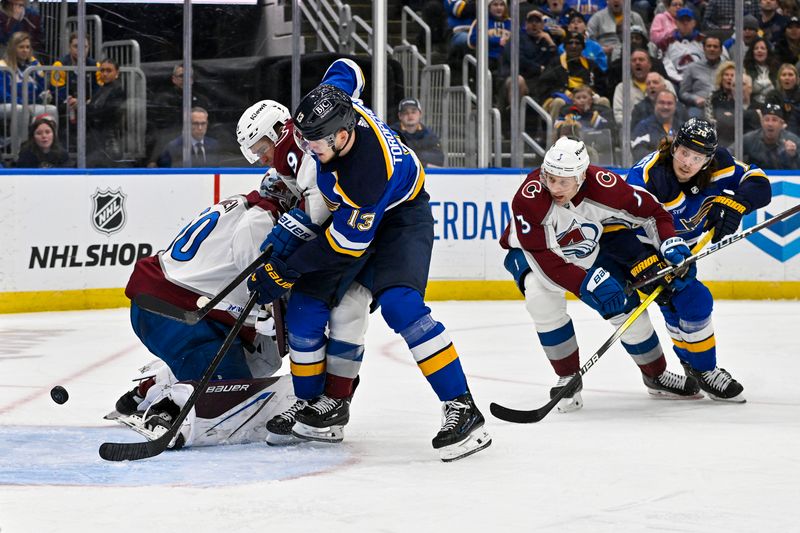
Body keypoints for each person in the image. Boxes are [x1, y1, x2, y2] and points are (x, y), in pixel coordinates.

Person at [246, 59, 492, 462]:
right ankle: (316, 409)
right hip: (351, 222)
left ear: (342, 136)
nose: (310, 152)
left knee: (401, 306)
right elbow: (347, 67)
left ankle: (462, 407)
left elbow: (346, 245)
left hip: (399, 218)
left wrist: (287, 268)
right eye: (306, 142)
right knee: (305, 309)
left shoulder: (365, 176)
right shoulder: (335, 108)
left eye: (316, 145)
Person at [500, 136, 702, 413]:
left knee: (627, 310)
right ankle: (567, 376)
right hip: (530, 255)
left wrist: (669, 242)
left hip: (586, 252)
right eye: (550, 177)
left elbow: (654, 214)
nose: (554, 187)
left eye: (564, 181)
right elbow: (544, 257)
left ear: (582, 176)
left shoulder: (605, 188)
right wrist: (585, 285)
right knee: (540, 296)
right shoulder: (531, 197)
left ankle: (656, 375)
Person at [114, 171, 301, 449]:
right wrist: (272, 313)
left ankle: (151, 387)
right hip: (178, 316)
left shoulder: (241, 204)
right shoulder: (262, 220)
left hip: (168, 306)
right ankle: (166, 409)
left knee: (266, 358)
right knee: (225, 398)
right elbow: (255, 278)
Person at [236, 98, 370, 444]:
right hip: (330, 245)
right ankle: (310, 402)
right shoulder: (289, 156)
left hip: (359, 237)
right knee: (305, 318)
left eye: (262, 147)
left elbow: (319, 205)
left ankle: (335, 405)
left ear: (279, 131)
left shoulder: (297, 146)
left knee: (347, 313)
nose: (262, 157)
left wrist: (285, 238)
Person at [626, 118, 772, 401]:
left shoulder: (719, 163)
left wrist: (736, 203)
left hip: (681, 250)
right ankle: (705, 370)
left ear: (707, 160)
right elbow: (619, 226)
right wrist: (644, 263)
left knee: (675, 307)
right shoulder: (648, 177)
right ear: (674, 147)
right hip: (643, 251)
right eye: (683, 153)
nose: (687, 162)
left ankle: (691, 366)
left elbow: (758, 181)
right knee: (694, 300)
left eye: (697, 157)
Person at [146, 64, 211, 167]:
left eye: (188, 76)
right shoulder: (162, 100)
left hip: (195, 149)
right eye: (181, 76)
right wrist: (153, 158)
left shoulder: (202, 100)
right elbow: (155, 131)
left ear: (192, 79)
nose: (185, 79)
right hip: (168, 150)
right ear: (174, 79)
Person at [0, 31, 56, 142]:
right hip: (6, 104)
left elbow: (40, 89)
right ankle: (21, 149)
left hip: (27, 103)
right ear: (13, 48)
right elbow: (3, 95)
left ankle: (50, 148)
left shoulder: (33, 65)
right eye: (21, 47)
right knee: (21, 109)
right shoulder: (3, 66)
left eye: (27, 47)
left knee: (51, 109)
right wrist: (23, 102)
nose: (25, 50)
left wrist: (44, 95)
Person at [76, 58, 126, 167]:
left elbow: (105, 113)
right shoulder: (102, 89)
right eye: (102, 70)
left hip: (108, 139)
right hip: (96, 136)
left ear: (117, 73)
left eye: (109, 71)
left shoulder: (117, 90)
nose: (104, 74)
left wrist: (85, 108)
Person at [705, 62, 761, 147]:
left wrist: (733, 115)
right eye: (726, 75)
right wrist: (753, 113)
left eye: (732, 75)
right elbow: (723, 121)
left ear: (750, 88)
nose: (729, 78)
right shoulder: (720, 101)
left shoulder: (757, 104)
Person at [155, 107, 222, 167]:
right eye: (195, 124)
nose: (200, 128)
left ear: (207, 124)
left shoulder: (214, 145)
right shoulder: (173, 147)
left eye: (203, 123)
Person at [742, 101, 800, 168]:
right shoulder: (749, 139)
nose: (770, 124)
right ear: (761, 122)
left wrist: (794, 155)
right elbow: (730, 153)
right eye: (767, 120)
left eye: (774, 120)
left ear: (782, 124)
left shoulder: (793, 140)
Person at [392, 98, 444, 168]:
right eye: (406, 113)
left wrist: (415, 156)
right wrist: (423, 162)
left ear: (420, 114)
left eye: (413, 112)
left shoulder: (429, 134)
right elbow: (392, 158)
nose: (410, 116)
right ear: (400, 116)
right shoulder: (392, 133)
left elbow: (439, 158)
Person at [679, 36, 724, 117]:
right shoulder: (692, 68)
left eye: (715, 47)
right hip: (699, 107)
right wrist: (695, 99)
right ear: (704, 49)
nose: (712, 49)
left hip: (722, 106)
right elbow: (683, 93)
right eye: (709, 46)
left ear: (721, 50)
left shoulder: (727, 68)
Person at [631, 89, 680, 160]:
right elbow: (638, 152)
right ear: (655, 104)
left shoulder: (682, 127)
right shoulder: (643, 127)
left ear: (675, 106)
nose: (665, 107)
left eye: (669, 103)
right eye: (661, 103)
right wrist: (663, 159)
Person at [661, 8, 705, 83]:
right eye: (682, 20)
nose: (685, 23)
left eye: (688, 20)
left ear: (694, 23)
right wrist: (680, 80)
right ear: (676, 23)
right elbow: (666, 64)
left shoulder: (704, 40)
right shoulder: (666, 42)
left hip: (700, 81)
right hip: (676, 82)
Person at [745, 36, 780, 105]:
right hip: (752, 106)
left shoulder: (776, 69)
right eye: (756, 48)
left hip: (774, 105)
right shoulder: (745, 69)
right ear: (752, 52)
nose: (759, 51)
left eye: (762, 48)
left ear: (768, 51)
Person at [776, 62, 800, 132]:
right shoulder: (773, 95)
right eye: (784, 75)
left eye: (790, 75)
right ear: (779, 78)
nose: (787, 78)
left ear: (797, 78)